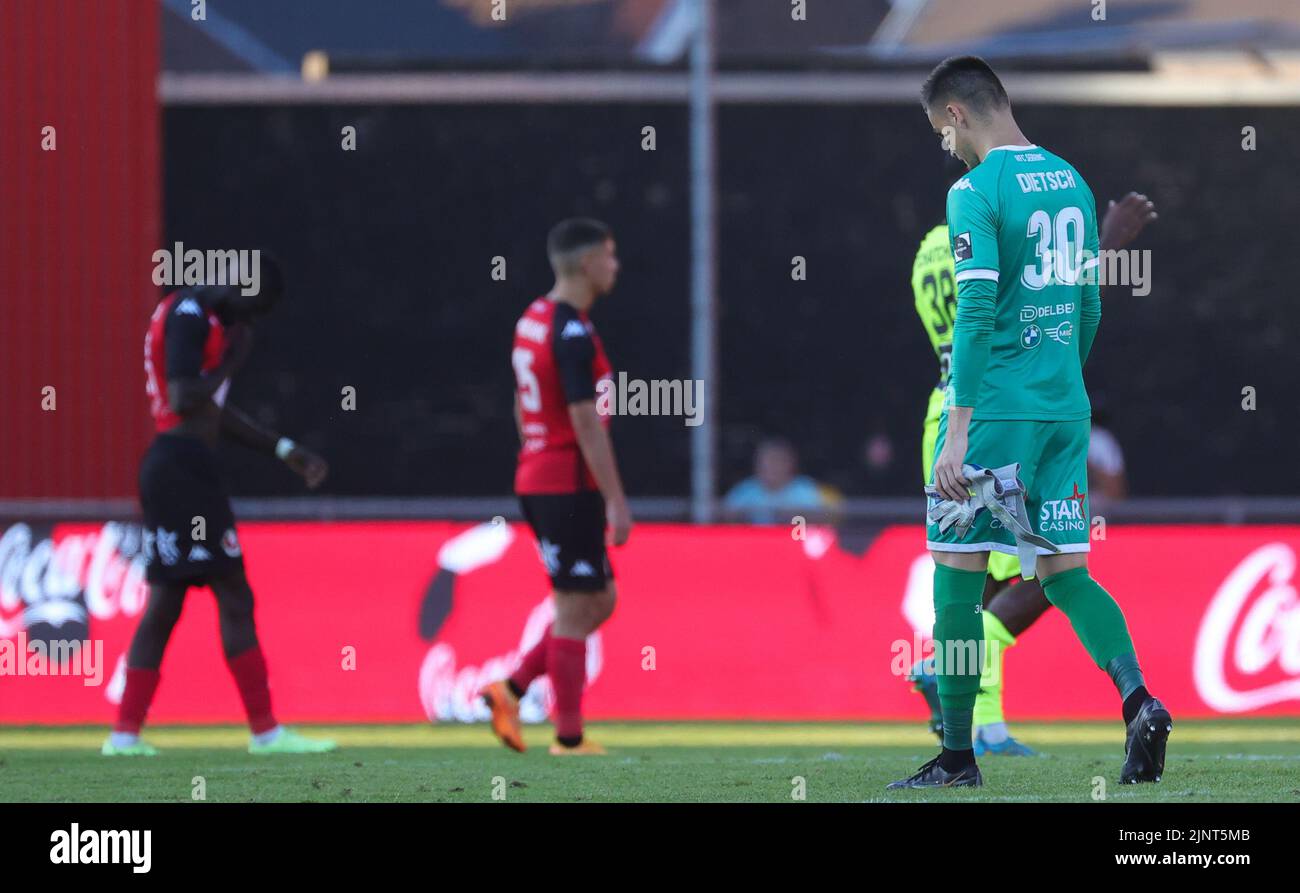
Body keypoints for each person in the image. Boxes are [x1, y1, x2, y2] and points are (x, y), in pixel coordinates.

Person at [889, 57, 1170, 789]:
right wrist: (1065, 382)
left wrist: (959, 429)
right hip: (1061, 408)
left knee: (956, 586)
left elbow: (976, 313)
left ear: (955, 113)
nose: (944, 147)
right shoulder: (1073, 182)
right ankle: (1139, 698)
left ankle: (956, 756)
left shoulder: (974, 192)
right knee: (1067, 573)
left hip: (992, 415)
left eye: (939, 131)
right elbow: (1090, 303)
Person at [104, 255, 336, 756]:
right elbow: (187, 397)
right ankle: (265, 732)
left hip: (175, 467)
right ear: (241, 286)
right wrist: (233, 359)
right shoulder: (190, 314)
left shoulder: (198, 314)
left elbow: (209, 411)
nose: (248, 322)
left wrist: (281, 448)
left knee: (167, 602)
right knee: (232, 593)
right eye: (253, 309)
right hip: (183, 470)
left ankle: (125, 735)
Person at [479, 218, 631, 756]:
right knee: (574, 605)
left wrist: (536, 452)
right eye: (610, 256)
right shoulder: (571, 331)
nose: (615, 265)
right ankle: (569, 737)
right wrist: (615, 500)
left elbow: (524, 409)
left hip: (543, 473)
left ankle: (510, 689)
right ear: (588, 263)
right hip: (566, 480)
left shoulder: (533, 319)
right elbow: (586, 422)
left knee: (599, 598)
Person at [722, 438, 833, 525]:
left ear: (790, 464)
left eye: (776, 462)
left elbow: (824, 517)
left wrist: (795, 515)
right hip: (755, 544)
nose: (771, 467)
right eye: (767, 462)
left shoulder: (804, 488)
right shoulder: (747, 489)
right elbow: (724, 514)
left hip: (794, 542)